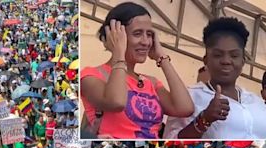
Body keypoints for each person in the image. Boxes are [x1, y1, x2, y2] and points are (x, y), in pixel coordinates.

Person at [80, 2, 194, 139]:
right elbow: (116, 102)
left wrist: (162, 58)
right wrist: (119, 52)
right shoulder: (92, 76)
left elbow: (185, 108)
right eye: (137, 33)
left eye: (150, 34)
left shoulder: (151, 82)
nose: (146, 42)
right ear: (116, 35)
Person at [164, 17, 266, 139]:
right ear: (206, 60)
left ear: (243, 61)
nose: (226, 61)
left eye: (234, 55)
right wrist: (204, 119)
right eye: (218, 55)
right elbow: (170, 143)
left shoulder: (257, 103)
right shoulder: (189, 97)